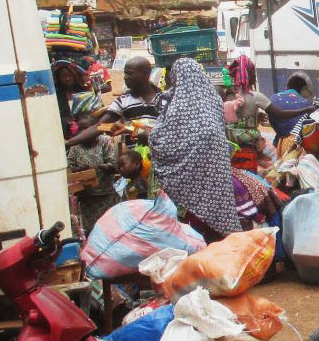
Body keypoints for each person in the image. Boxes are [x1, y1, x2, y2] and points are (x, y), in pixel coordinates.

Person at [150, 57, 241, 239]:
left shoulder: (178, 105)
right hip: (216, 173)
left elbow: (162, 139)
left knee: (191, 228)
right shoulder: (213, 98)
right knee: (217, 215)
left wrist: (150, 136)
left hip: (190, 182)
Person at [67, 56, 161, 147]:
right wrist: (69, 143)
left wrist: (134, 131)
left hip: (163, 157)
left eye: (130, 73)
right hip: (133, 160)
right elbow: (99, 127)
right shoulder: (123, 100)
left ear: (145, 73)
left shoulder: (165, 99)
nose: (125, 77)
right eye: (125, 73)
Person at [65, 112, 120, 236]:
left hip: (104, 194)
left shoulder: (104, 142)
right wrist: (81, 171)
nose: (83, 132)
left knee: (107, 227)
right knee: (89, 229)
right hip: (86, 196)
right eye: (81, 129)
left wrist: (100, 168)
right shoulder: (75, 146)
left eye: (87, 128)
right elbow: (70, 167)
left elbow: (113, 165)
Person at [224, 54, 271, 149]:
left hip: (230, 143)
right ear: (250, 74)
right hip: (249, 144)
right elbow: (277, 113)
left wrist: (256, 117)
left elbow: (234, 118)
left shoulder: (227, 94)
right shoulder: (255, 96)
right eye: (253, 72)